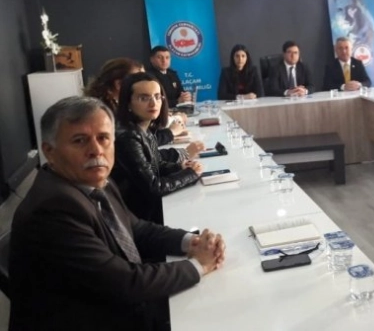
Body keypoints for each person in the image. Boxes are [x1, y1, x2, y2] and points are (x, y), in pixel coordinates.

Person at [9, 96, 225, 331]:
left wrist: (191, 242)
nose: (96, 150)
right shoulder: (52, 209)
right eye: (80, 140)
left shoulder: (96, 180)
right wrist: (199, 264)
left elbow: (137, 229)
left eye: (103, 138)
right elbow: (126, 283)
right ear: (50, 152)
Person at [111, 73, 202, 225]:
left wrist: (180, 166)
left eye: (157, 97)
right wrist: (190, 174)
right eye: (144, 98)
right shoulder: (127, 137)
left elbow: (155, 164)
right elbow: (154, 187)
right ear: (128, 103)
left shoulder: (144, 128)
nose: (153, 103)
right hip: (141, 218)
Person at [85, 57, 204, 158]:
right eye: (138, 78)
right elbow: (139, 146)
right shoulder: (103, 114)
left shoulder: (114, 104)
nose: (145, 82)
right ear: (119, 84)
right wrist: (172, 134)